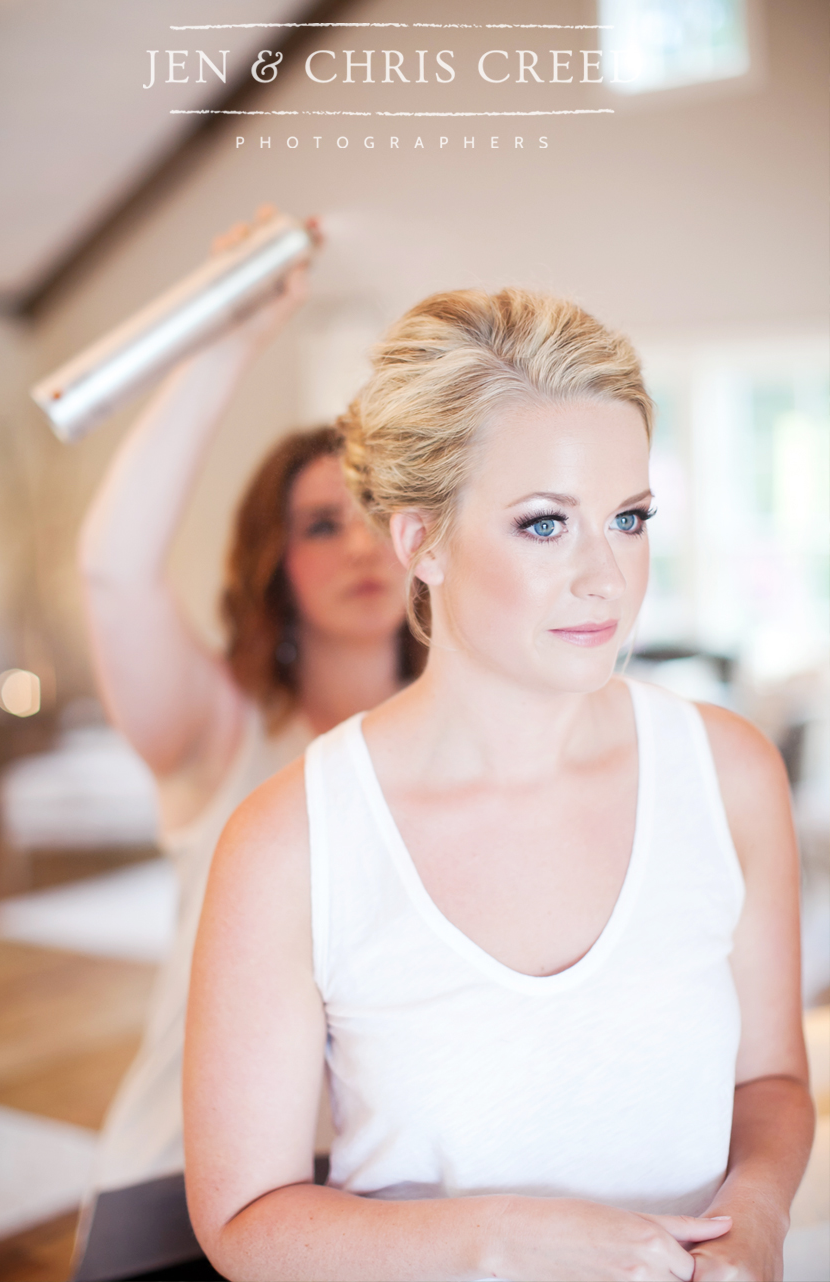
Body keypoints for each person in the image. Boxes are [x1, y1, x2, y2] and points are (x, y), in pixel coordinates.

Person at [185, 288, 814, 1280]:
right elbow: (244, 1217)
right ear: (419, 540)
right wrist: (502, 1241)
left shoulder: (727, 773)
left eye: (629, 517)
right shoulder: (290, 841)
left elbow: (771, 1079)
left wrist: (758, 1216)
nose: (606, 576)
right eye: (542, 525)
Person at [71, 212, 417, 1278]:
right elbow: (114, 569)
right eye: (321, 522)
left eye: (375, 511)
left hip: (399, 1170)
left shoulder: (467, 732)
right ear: (273, 561)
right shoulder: (218, 728)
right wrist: (229, 337)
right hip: (181, 1165)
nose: (358, 541)